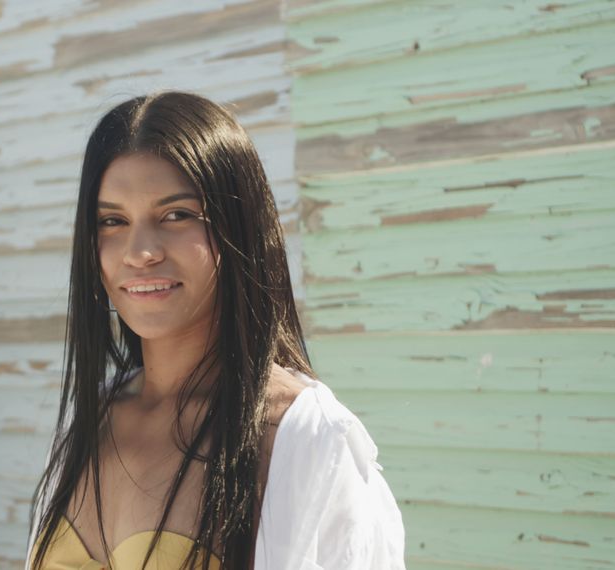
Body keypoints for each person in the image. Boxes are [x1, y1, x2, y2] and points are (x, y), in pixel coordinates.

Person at [24, 91, 405, 569]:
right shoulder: (87, 421)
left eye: (176, 214)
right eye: (112, 221)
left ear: (237, 227)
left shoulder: (303, 438)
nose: (140, 250)